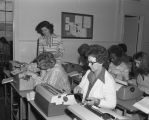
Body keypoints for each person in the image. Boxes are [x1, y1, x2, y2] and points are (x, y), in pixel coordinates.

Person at [73, 44, 116, 109]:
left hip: (98, 111)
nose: (89, 65)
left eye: (92, 63)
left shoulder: (108, 80)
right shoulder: (88, 72)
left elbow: (112, 104)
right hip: (85, 107)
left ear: (101, 62)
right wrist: (78, 87)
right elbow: (81, 86)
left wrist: (97, 102)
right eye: (88, 62)